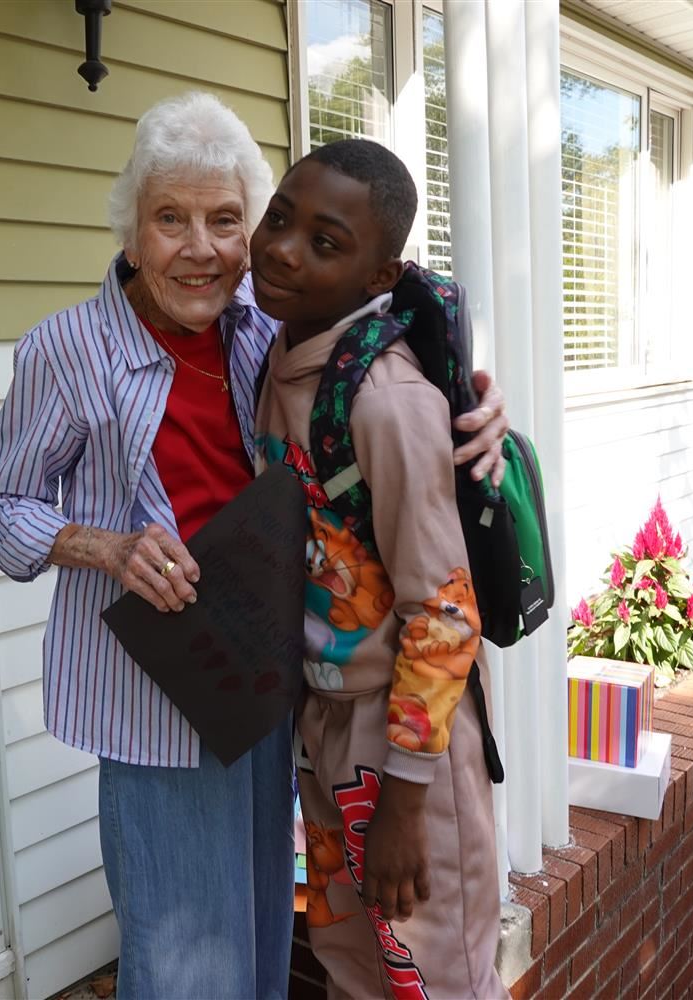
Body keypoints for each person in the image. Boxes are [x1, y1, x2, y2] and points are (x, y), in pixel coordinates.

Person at [0, 93, 509, 998]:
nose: (201, 249)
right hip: (154, 697)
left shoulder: (265, 322)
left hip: (275, 688)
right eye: (169, 219)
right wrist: (105, 547)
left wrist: (478, 408)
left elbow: (389, 325)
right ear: (131, 230)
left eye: (224, 221)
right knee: (183, 961)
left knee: (264, 941)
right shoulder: (66, 350)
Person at [251, 139, 507, 998]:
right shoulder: (277, 355)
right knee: (353, 967)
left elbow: (445, 611)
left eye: (325, 242)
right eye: (278, 218)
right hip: (323, 727)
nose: (284, 250)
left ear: (379, 276)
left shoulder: (387, 400)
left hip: (404, 749)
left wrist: (405, 798)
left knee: (433, 975)